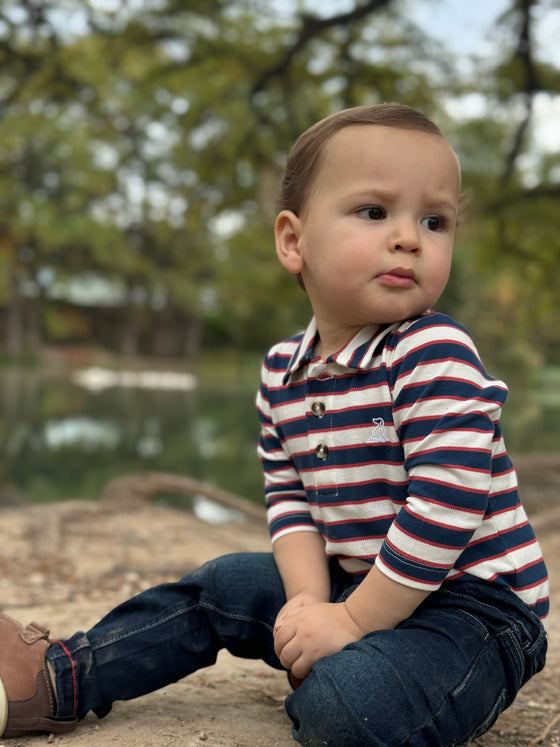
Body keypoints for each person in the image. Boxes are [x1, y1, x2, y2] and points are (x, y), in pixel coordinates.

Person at [0, 103, 549, 746]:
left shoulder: (434, 350)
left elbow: (448, 504)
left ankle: (355, 681)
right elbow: (291, 501)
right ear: (293, 241)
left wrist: (349, 624)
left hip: (475, 610)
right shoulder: (283, 371)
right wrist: (311, 607)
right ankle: (62, 678)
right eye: (374, 212)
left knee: (352, 707)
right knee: (221, 585)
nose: (409, 237)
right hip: (354, 584)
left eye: (436, 220)